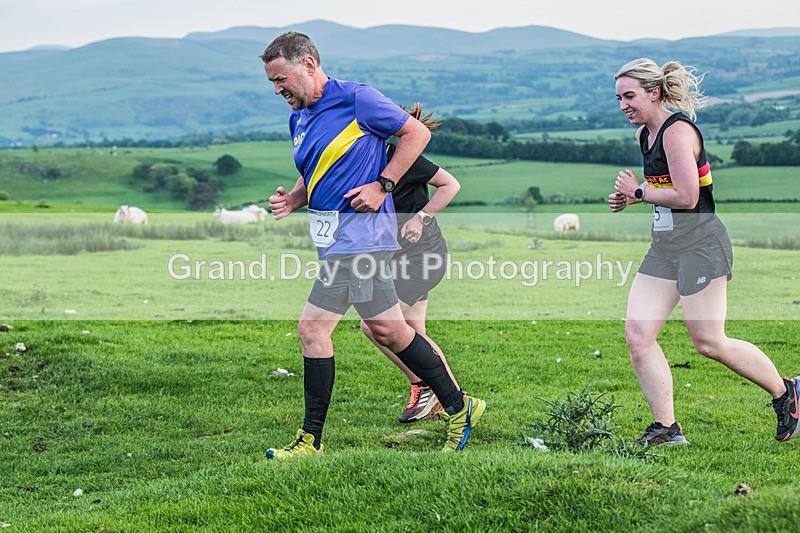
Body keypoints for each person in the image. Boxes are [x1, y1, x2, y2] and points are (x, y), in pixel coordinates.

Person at [261, 31, 485, 458]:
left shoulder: (356, 98)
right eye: (272, 82)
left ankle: (310, 441)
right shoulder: (299, 118)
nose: (277, 90)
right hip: (336, 242)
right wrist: (294, 198)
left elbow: (416, 134)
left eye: (280, 79)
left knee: (313, 329)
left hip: (362, 240)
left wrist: (384, 185)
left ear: (308, 64)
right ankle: (461, 405)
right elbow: (317, 170)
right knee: (388, 330)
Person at [609, 57, 799, 446]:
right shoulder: (645, 135)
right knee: (638, 336)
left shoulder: (678, 133)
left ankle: (788, 392)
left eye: (629, 96)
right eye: (619, 99)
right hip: (665, 247)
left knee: (709, 342)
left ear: (654, 93)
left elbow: (688, 196)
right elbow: (665, 189)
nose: (623, 105)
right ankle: (667, 428)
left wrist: (639, 192)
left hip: (701, 246)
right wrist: (632, 198)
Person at [272, 104, 462, 424]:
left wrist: (421, 218)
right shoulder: (353, 160)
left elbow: (450, 184)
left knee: (378, 326)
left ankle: (431, 390)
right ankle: (448, 399)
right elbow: (313, 179)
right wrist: (292, 199)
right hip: (387, 254)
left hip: (421, 255)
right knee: (413, 331)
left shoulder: (401, 157)